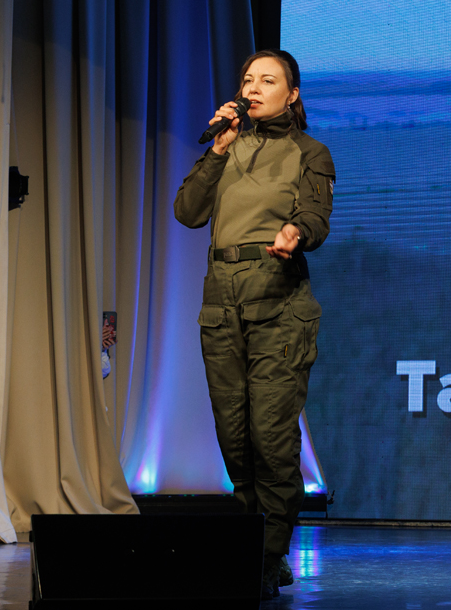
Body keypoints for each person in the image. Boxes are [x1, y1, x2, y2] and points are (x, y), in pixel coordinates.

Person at [174, 49, 335, 599]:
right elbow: (187, 211)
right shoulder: (228, 146)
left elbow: (315, 217)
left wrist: (295, 233)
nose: (255, 88)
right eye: (248, 80)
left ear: (292, 94)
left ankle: (269, 554)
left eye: (268, 80)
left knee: (271, 433)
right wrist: (218, 148)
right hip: (222, 301)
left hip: (277, 298)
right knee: (234, 433)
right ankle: (251, 541)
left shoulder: (309, 152)